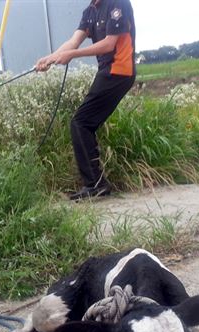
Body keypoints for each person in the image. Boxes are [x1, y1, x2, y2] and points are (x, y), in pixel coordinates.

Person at [35, 0, 136, 201]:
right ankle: (95, 184)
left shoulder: (118, 3)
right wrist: (50, 58)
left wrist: (72, 55)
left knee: (81, 122)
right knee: (83, 123)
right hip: (107, 72)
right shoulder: (90, 10)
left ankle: (95, 185)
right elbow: (73, 42)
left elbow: (109, 44)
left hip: (119, 71)